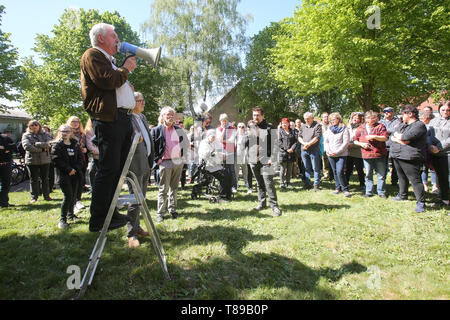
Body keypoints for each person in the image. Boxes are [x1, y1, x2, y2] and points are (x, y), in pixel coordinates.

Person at [80, 22, 137, 232]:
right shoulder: (92, 55)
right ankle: (98, 218)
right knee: (108, 168)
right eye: (114, 36)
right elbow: (108, 81)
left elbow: (114, 83)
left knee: (117, 170)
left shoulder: (109, 61)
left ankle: (111, 213)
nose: (117, 40)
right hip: (109, 120)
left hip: (120, 120)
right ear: (101, 38)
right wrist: (126, 69)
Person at [126, 92, 154, 248]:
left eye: (143, 100)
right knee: (134, 200)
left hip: (145, 163)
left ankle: (137, 227)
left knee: (141, 199)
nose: (143, 103)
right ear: (131, 103)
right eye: (139, 101)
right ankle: (131, 234)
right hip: (134, 164)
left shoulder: (142, 118)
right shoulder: (127, 119)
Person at [151, 106, 188, 223]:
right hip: (165, 162)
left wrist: (184, 157)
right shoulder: (156, 130)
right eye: (168, 114)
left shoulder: (178, 130)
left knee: (174, 188)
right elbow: (152, 148)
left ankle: (172, 210)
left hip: (178, 162)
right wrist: (157, 160)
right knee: (163, 189)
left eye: (172, 114)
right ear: (162, 117)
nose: (170, 116)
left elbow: (185, 144)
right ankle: (160, 213)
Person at [390, 105, 428, 212]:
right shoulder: (403, 125)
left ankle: (421, 203)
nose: (402, 116)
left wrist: (400, 139)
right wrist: (400, 139)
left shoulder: (419, 125)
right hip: (398, 155)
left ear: (410, 114)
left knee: (415, 180)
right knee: (401, 177)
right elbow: (393, 135)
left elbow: (405, 138)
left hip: (411, 157)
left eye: (403, 114)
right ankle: (402, 195)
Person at [247, 106, 281, 216]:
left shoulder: (270, 127)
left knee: (269, 183)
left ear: (263, 116)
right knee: (259, 183)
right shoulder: (251, 127)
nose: (255, 117)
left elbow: (276, 144)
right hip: (253, 159)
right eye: (254, 115)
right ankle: (262, 203)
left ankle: (274, 206)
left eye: (257, 115)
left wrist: (272, 158)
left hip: (266, 160)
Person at [51, 124, 84, 228]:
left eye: (67, 131)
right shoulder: (57, 145)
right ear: (59, 132)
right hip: (63, 175)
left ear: (71, 133)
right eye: (62, 131)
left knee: (73, 195)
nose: (64, 133)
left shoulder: (75, 144)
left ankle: (71, 214)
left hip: (75, 174)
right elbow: (56, 159)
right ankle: (62, 220)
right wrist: (68, 169)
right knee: (68, 196)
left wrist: (75, 169)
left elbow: (80, 158)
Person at [353, 110, 389, 198]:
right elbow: (355, 140)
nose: (373, 120)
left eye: (374, 118)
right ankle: (369, 192)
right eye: (370, 118)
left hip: (379, 154)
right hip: (366, 154)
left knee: (381, 174)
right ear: (366, 119)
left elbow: (385, 138)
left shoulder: (380, 126)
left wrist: (374, 136)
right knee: (368, 174)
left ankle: (381, 192)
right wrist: (362, 144)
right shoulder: (360, 128)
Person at [21, 120, 53, 204]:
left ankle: (47, 195)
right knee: (33, 179)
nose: (34, 126)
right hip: (32, 160)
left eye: (36, 125)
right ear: (29, 126)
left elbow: (49, 143)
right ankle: (34, 197)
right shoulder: (26, 135)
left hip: (45, 160)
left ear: (39, 126)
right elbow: (27, 146)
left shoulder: (45, 134)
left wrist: (36, 144)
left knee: (45, 179)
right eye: (32, 125)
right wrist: (42, 149)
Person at [198, 129, 232, 201]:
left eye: (214, 137)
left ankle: (228, 194)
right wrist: (216, 154)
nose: (213, 138)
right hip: (207, 166)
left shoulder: (216, 142)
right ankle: (222, 196)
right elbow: (204, 154)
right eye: (212, 137)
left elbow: (222, 150)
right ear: (208, 136)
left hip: (216, 165)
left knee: (228, 175)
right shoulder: (203, 143)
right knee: (223, 177)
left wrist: (225, 155)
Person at [427, 101, 450, 207]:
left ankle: (447, 199)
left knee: (447, 177)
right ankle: (442, 197)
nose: (445, 112)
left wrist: (439, 147)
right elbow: (428, 134)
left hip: (447, 153)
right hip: (434, 153)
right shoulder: (433, 121)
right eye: (443, 110)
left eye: (448, 110)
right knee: (439, 176)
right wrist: (431, 146)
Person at [324, 113, 351, 197]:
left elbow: (345, 142)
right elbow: (326, 141)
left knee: (340, 171)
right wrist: (328, 151)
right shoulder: (329, 129)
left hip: (341, 154)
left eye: (334, 119)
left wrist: (337, 152)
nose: (332, 121)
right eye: (331, 120)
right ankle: (337, 187)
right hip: (330, 154)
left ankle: (345, 189)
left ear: (338, 119)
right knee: (335, 171)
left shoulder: (344, 129)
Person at [67, 116, 87, 213]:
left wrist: (85, 149)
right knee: (72, 183)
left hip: (81, 159)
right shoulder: (67, 133)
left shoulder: (82, 134)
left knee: (80, 180)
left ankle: (78, 200)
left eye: (77, 122)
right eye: (73, 122)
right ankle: (72, 202)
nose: (75, 123)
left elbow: (86, 145)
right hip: (71, 160)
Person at [298, 112, 323, 191]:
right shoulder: (302, 126)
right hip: (304, 150)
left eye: (308, 119)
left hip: (314, 150)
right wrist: (304, 143)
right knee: (306, 168)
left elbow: (317, 137)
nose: (306, 120)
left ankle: (316, 184)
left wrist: (308, 144)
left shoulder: (317, 126)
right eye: (305, 119)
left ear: (312, 118)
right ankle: (307, 183)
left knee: (316, 168)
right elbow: (299, 136)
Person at [380, 106, 401, 187]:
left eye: (388, 111)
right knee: (383, 165)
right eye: (385, 111)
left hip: (394, 146)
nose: (386, 113)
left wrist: (385, 131)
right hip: (383, 146)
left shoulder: (397, 121)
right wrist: (390, 130)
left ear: (393, 112)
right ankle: (382, 180)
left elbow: (396, 130)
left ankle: (394, 181)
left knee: (395, 165)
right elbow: (380, 131)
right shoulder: (381, 122)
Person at [216, 113, 237, 192]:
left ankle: (233, 186)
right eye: (222, 121)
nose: (223, 122)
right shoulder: (218, 129)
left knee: (231, 170)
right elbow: (219, 139)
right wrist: (224, 129)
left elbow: (231, 141)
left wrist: (223, 140)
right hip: (221, 152)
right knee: (220, 169)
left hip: (230, 151)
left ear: (227, 120)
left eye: (225, 121)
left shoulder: (232, 128)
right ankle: (221, 186)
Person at [346, 112, 366, 192]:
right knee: (348, 169)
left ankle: (362, 184)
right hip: (348, 151)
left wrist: (352, 145)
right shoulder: (348, 127)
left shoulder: (362, 128)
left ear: (360, 119)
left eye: (357, 118)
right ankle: (346, 183)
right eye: (353, 118)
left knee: (359, 169)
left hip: (358, 152)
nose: (355, 119)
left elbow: (362, 139)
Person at [419, 111, 437, 193]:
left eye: (422, 118)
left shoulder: (433, 126)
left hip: (433, 149)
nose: (421, 120)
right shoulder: (420, 126)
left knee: (433, 168)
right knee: (424, 168)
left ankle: (434, 185)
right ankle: (424, 184)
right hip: (424, 149)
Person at [278, 118, 297, 189]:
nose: (284, 124)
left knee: (289, 168)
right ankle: (281, 183)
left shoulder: (292, 131)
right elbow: (279, 142)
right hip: (283, 153)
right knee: (283, 169)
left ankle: (288, 182)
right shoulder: (280, 131)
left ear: (288, 124)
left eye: (285, 123)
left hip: (291, 153)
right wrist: (287, 149)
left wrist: (292, 148)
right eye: (283, 123)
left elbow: (295, 141)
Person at [235, 123, 252, 194]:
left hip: (244, 154)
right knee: (236, 170)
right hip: (237, 154)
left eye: (242, 127)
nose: (241, 128)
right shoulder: (235, 136)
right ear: (237, 128)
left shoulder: (246, 136)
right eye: (239, 127)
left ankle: (246, 182)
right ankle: (236, 183)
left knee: (245, 170)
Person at [0, 132, 16, 207]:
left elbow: (13, 147)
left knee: (6, 184)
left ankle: (4, 202)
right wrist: (4, 149)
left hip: (5, 164)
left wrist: (4, 148)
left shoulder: (5, 137)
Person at [84, 118, 99, 192]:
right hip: (96, 156)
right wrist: (103, 151)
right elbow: (90, 146)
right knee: (92, 172)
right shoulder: (89, 131)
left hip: (106, 157)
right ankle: (94, 189)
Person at [320, 112, 333, 182]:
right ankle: (326, 174)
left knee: (331, 160)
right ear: (322, 118)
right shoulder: (319, 125)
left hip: (331, 145)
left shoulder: (331, 125)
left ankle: (332, 175)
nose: (326, 118)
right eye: (324, 117)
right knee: (324, 160)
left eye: (327, 116)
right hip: (322, 145)